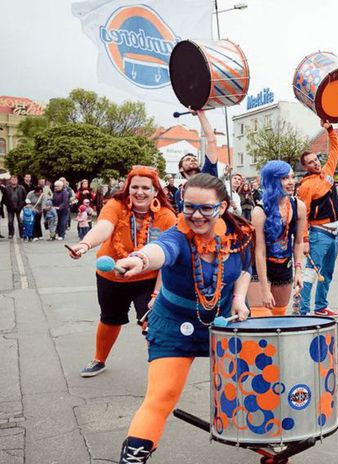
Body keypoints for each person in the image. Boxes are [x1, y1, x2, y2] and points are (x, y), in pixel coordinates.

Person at [111, 173, 253, 463]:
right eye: (189, 207)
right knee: (160, 397)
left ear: (223, 207)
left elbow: (245, 270)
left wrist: (239, 298)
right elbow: (160, 251)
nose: (196, 215)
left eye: (205, 208)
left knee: (257, 384)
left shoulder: (239, 235)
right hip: (174, 326)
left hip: (222, 326)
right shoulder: (177, 236)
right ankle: (133, 458)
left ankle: (270, 440)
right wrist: (138, 260)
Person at [65, 167, 177, 379]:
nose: (140, 192)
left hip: (148, 279)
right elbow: (104, 227)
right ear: (128, 188)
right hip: (111, 275)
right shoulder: (115, 205)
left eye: (146, 188)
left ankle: (161, 371)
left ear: (156, 191)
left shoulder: (166, 216)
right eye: (135, 187)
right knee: (110, 319)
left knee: (152, 320)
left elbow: (167, 260)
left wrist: (156, 294)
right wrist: (84, 244)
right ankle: (99, 359)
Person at [296, 120, 338, 318]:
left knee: (328, 274)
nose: (316, 163)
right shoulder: (306, 186)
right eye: (311, 162)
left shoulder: (327, 172)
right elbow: (303, 215)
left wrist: (330, 129)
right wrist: (304, 240)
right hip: (319, 234)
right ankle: (304, 311)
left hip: (335, 232)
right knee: (311, 273)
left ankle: (321, 306)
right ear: (305, 167)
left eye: (316, 159)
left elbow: (335, 149)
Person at [251, 161, 307, 316]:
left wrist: (298, 271)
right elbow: (259, 251)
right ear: (272, 180)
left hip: (284, 265)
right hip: (261, 266)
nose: (291, 182)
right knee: (261, 317)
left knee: (279, 315)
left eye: (292, 177)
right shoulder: (259, 211)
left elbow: (298, 242)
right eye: (284, 178)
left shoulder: (299, 206)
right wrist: (264, 288)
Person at [174, 111, 220, 212]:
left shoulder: (208, 174)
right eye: (188, 159)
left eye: (194, 159)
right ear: (181, 168)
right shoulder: (180, 193)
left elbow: (212, 141)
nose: (193, 160)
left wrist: (201, 114)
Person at [3, 175, 27, 239]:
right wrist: (7, 204)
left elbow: (25, 198)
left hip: (20, 208)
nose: (14, 181)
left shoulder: (22, 188)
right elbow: (4, 199)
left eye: (15, 179)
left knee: (21, 222)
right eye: (12, 179)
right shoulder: (6, 188)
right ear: (10, 180)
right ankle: (11, 234)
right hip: (10, 208)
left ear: (17, 180)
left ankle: (22, 234)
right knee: (10, 221)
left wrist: (22, 205)